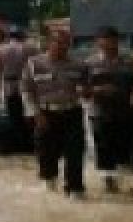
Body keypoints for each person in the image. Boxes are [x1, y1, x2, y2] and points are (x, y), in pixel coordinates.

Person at [22, 29, 89, 198]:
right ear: (49, 43)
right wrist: (36, 114)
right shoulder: (34, 63)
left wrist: (87, 91)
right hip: (45, 114)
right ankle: (49, 184)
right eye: (58, 42)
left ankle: (75, 189)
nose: (62, 47)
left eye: (66, 43)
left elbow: (87, 90)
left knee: (75, 152)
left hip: (72, 113)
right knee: (46, 153)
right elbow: (26, 91)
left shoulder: (79, 65)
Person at [86, 26, 133, 193]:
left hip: (125, 111)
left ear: (117, 41)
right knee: (103, 145)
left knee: (123, 146)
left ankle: (120, 178)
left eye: (112, 40)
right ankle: (108, 179)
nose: (108, 43)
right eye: (104, 40)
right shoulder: (89, 64)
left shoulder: (131, 62)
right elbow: (81, 89)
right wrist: (99, 90)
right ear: (98, 42)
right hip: (99, 112)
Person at [0, 27, 36, 152]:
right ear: (22, 36)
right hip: (29, 86)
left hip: (10, 86)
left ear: (9, 37)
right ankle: (31, 143)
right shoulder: (32, 48)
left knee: (14, 116)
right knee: (30, 114)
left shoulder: (0, 50)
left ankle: (20, 144)